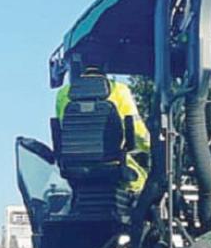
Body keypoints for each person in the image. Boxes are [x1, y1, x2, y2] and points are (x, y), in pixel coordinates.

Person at [55, 66, 151, 194]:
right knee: (146, 184)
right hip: (112, 165)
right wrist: (152, 147)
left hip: (74, 171)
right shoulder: (119, 90)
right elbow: (137, 131)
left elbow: (61, 130)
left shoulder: (63, 93)